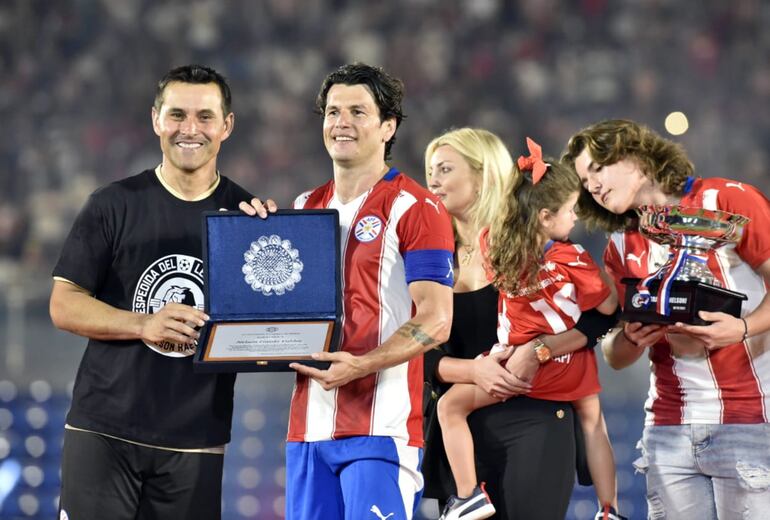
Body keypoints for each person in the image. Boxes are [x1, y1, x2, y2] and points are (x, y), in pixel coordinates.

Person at [242, 63, 455, 520]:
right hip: (308, 431)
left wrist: (362, 364)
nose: (342, 122)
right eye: (333, 111)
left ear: (388, 127)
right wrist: (250, 238)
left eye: (358, 112)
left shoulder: (417, 207)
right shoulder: (304, 207)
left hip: (381, 429)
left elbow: (437, 319)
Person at [49, 64, 253, 520]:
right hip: (104, 432)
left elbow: (263, 324)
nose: (190, 129)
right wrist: (144, 323)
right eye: (177, 114)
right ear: (156, 119)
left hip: (196, 441)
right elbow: (63, 305)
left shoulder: (246, 218)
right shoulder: (113, 203)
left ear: (226, 126)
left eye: (204, 117)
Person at [563, 118, 770, 519]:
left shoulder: (728, 200)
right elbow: (614, 354)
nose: (594, 186)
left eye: (598, 169)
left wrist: (742, 329)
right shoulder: (620, 244)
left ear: (637, 157)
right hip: (667, 429)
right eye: (585, 182)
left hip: (748, 419)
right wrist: (632, 339)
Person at [422, 128, 620, 520]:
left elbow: (602, 314)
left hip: (535, 416)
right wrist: (473, 371)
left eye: (445, 169)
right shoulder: (426, 255)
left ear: (483, 176)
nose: (432, 181)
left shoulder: (527, 242)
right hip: (461, 430)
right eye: (430, 171)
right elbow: (416, 352)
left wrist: (541, 348)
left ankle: (609, 507)